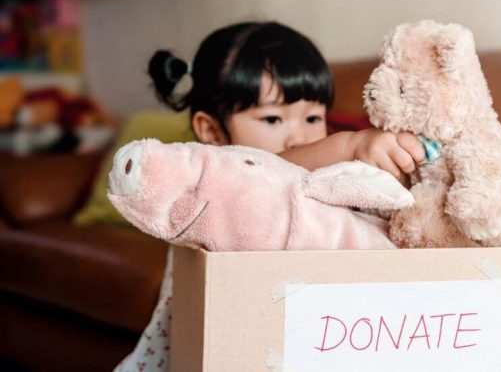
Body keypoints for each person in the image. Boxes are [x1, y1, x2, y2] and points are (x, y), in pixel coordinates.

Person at [115, 21, 423, 371]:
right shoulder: (213, 185)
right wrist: (350, 145)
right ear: (211, 131)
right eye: (274, 119)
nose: (300, 137)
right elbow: (272, 173)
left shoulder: (322, 180)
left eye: (312, 117)